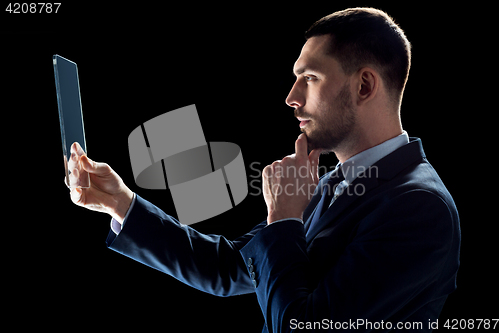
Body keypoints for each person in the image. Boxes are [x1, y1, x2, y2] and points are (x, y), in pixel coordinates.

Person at [67, 8, 460, 332]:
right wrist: (121, 203)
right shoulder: (332, 184)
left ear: (364, 86)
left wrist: (284, 219)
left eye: (310, 78)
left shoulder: (420, 208)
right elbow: (226, 268)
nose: (291, 98)